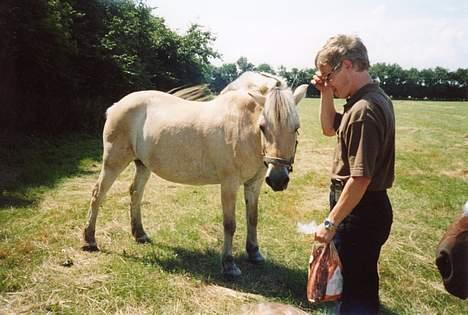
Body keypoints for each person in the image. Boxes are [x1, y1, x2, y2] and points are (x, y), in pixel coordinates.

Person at [311, 34, 395, 315]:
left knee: (354, 296)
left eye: (328, 75)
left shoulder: (363, 110)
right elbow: (327, 128)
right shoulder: (366, 99)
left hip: (360, 213)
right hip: (365, 210)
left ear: (347, 65)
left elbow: (360, 179)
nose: (327, 81)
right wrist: (325, 92)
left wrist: (330, 222)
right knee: (361, 285)